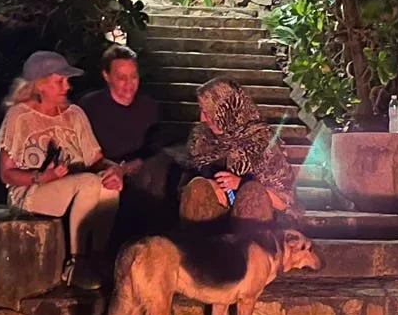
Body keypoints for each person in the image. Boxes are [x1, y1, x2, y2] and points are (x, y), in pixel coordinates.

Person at [0, 51, 123, 280]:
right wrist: (42, 177)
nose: (66, 87)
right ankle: (77, 262)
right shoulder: (19, 117)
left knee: (108, 187)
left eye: (67, 81)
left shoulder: (75, 114)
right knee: (89, 182)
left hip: (78, 186)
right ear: (40, 85)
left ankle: (98, 255)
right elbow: (7, 174)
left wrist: (114, 170)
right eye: (59, 81)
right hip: (32, 192)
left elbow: (96, 159)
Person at [78, 47, 173, 230]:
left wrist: (125, 169)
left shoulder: (149, 106)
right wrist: (111, 168)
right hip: (101, 170)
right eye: (122, 78)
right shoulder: (89, 106)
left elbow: (153, 148)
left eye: (134, 77)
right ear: (106, 76)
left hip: (138, 171)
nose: (129, 84)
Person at [185, 79, 300, 219]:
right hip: (212, 220)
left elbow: (283, 203)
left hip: (255, 223)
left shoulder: (262, 141)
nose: (202, 119)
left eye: (208, 112)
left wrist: (242, 184)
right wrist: (209, 185)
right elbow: (185, 182)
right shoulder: (201, 137)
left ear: (225, 111)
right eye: (202, 110)